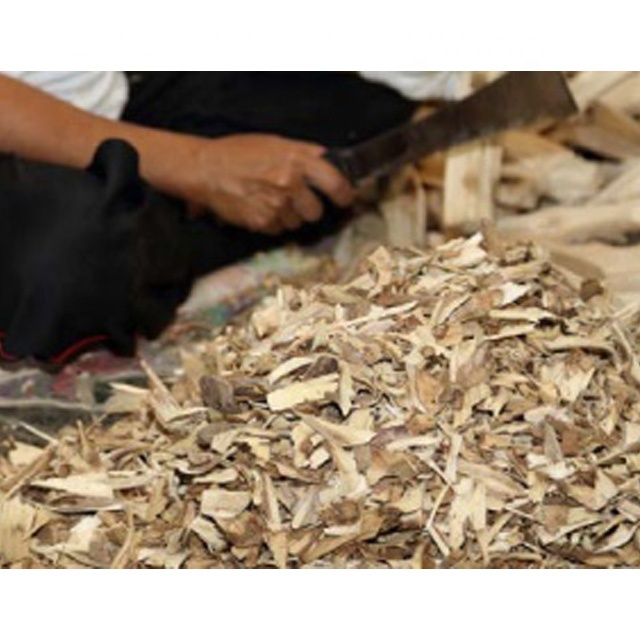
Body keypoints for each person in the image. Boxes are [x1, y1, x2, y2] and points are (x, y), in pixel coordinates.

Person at [0, 72, 468, 364]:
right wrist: (195, 164)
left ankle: (156, 223)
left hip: (118, 90)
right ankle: (148, 230)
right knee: (66, 256)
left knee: (357, 124)